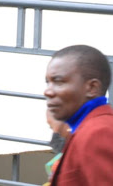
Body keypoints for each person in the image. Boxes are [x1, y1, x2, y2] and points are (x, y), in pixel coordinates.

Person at [43, 45, 113, 185]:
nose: (48, 92)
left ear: (92, 88)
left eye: (58, 82)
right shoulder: (85, 128)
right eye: (48, 83)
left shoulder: (98, 133)